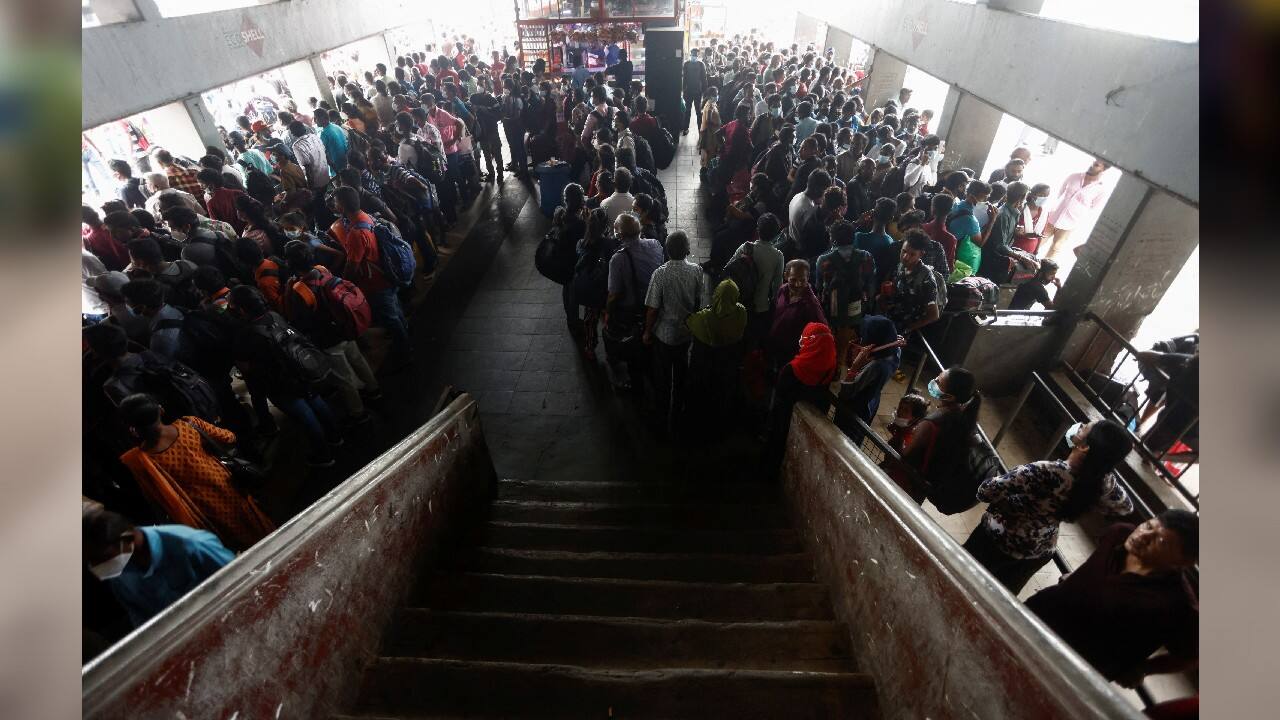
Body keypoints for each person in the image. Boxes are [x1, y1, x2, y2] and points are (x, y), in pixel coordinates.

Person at [1025, 511, 1199, 685]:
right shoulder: (1119, 534)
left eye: (1161, 541)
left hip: (1073, 666)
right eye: (1148, 526)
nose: (1143, 536)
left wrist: (1145, 668)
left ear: (1183, 561)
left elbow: (1190, 656)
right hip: (1037, 616)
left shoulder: (1178, 606)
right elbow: (1096, 564)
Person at [964, 419, 1135, 592]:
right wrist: (1102, 471)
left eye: (1084, 428)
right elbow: (1125, 507)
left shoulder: (1044, 471)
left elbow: (985, 491)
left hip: (996, 539)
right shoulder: (1100, 484)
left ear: (1084, 447)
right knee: (998, 596)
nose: (1080, 425)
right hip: (1037, 551)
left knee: (963, 577)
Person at [117, 393, 275, 550]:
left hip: (200, 508)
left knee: (233, 541)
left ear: (133, 429)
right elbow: (230, 438)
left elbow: (153, 497)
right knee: (255, 526)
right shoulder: (189, 424)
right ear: (161, 410)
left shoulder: (139, 460)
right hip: (227, 486)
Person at [84, 509, 235, 628]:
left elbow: (239, 579)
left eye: (100, 558)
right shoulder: (120, 576)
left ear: (125, 540)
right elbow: (143, 625)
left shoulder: (192, 545)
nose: (96, 567)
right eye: (90, 561)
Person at [282, 240, 380, 423]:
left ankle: (358, 413)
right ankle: (374, 390)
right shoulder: (321, 269)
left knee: (344, 379)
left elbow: (298, 321)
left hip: (328, 339)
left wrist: (288, 291)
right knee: (358, 359)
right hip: (346, 328)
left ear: (290, 264)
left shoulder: (299, 290)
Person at [328, 186, 411, 365]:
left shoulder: (356, 234)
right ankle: (404, 334)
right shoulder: (366, 216)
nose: (334, 205)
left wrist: (343, 283)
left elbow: (352, 266)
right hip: (388, 273)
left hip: (376, 283)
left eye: (335, 202)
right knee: (395, 310)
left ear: (341, 206)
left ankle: (403, 351)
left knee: (390, 317)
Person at [643, 231, 703, 431]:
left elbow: (652, 309)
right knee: (681, 373)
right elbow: (697, 302)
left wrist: (647, 332)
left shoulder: (660, 274)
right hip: (685, 334)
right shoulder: (696, 271)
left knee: (662, 377)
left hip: (664, 335)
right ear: (687, 250)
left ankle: (662, 415)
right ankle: (678, 413)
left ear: (667, 251)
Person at [894, 366, 981, 504]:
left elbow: (905, 454)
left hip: (909, 480)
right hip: (929, 481)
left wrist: (900, 433)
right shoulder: (963, 417)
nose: (934, 381)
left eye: (939, 382)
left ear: (949, 396)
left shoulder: (930, 424)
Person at [767, 322, 837, 474]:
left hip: (785, 420)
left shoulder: (793, 369)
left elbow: (780, 393)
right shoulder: (830, 365)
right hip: (810, 423)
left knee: (777, 447)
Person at [605, 213, 664, 390]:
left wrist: (608, 312)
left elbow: (614, 294)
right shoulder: (655, 245)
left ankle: (635, 383)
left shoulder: (618, 259)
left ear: (619, 235)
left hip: (632, 310)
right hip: (655, 303)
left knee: (632, 349)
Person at [686, 277, 748, 433]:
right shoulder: (741, 312)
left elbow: (689, 323)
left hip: (704, 369)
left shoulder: (704, 318)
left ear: (716, 295)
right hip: (728, 367)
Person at [1042, 159, 1111, 260]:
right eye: (1092, 162)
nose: (1091, 165)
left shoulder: (1101, 190)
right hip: (1053, 217)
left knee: (1055, 248)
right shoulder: (1074, 176)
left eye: (1096, 165)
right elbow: (1060, 192)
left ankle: (1042, 271)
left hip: (1069, 224)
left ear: (1103, 169)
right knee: (1038, 241)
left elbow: (1094, 207)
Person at [880, 230, 941, 335]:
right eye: (904, 251)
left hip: (905, 328)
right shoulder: (901, 266)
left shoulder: (926, 278)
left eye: (912, 254)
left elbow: (934, 315)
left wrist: (908, 328)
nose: (905, 257)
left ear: (921, 254)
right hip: (892, 319)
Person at [767, 259, 825, 369]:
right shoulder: (783, 290)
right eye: (793, 280)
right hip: (775, 349)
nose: (798, 284)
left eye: (802, 280)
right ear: (785, 276)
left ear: (808, 279)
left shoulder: (811, 305)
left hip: (793, 357)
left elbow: (822, 332)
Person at [978, 181, 1029, 284]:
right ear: (1022, 197)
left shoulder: (1015, 212)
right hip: (992, 259)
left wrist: (1015, 231)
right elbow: (1000, 245)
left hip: (1000, 257)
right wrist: (1022, 258)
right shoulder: (1003, 214)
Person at [948, 180, 990, 278]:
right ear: (972, 197)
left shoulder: (956, 204)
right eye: (984, 198)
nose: (986, 202)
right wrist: (992, 220)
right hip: (955, 256)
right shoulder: (970, 220)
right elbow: (980, 243)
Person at [195, 168, 248, 235]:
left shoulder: (212, 203)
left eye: (202, 184)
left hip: (233, 233)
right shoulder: (237, 192)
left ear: (211, 185)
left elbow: (217, 226)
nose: (201, 187)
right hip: (248, 228)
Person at [83, 205, 130, 271]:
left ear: (84, 221)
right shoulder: (111, 225)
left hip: (119, 268)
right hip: (127, 263)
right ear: (96, 213)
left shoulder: (89, 238)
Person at [682, 47, 707, 134]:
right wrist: (683, 90)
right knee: (687, 110)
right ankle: (685, 128)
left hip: (698, 92)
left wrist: (704, 91)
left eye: (695, 55)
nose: (694, 56)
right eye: (692, 54)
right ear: (690, 54)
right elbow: (684, 78)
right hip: (688, 91)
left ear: (698, 55)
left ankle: (700, 129)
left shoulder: (701, 64)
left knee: (698, 111)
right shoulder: (686, 64)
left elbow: (704, 79)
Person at [698, 87, 722, 168]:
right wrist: (717, 126)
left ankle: (706, 173)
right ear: (712, 95)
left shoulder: (710, 103)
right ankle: (707, 175)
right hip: (710, 135)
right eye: (716, 94)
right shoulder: (710, 105)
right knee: (709, 155)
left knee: (707, 155)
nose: (717, 96)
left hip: (710, 133)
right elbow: (708, 120)